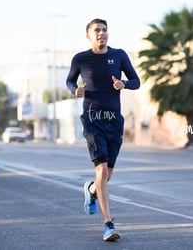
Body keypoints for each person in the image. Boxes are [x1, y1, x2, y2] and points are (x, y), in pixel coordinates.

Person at [66, 18, 140, 241]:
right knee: (101, 171)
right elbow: (69, 81)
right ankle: (108, 224)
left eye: (105, 30)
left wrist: (124, 84)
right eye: (97, 30)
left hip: (114, 121)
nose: (102, 33)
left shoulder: (119, 55)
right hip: (92, 120)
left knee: (107, 175)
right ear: (88, 35)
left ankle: (90, 191)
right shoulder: (81, 59)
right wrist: (74, 90)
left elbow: (136, 80)